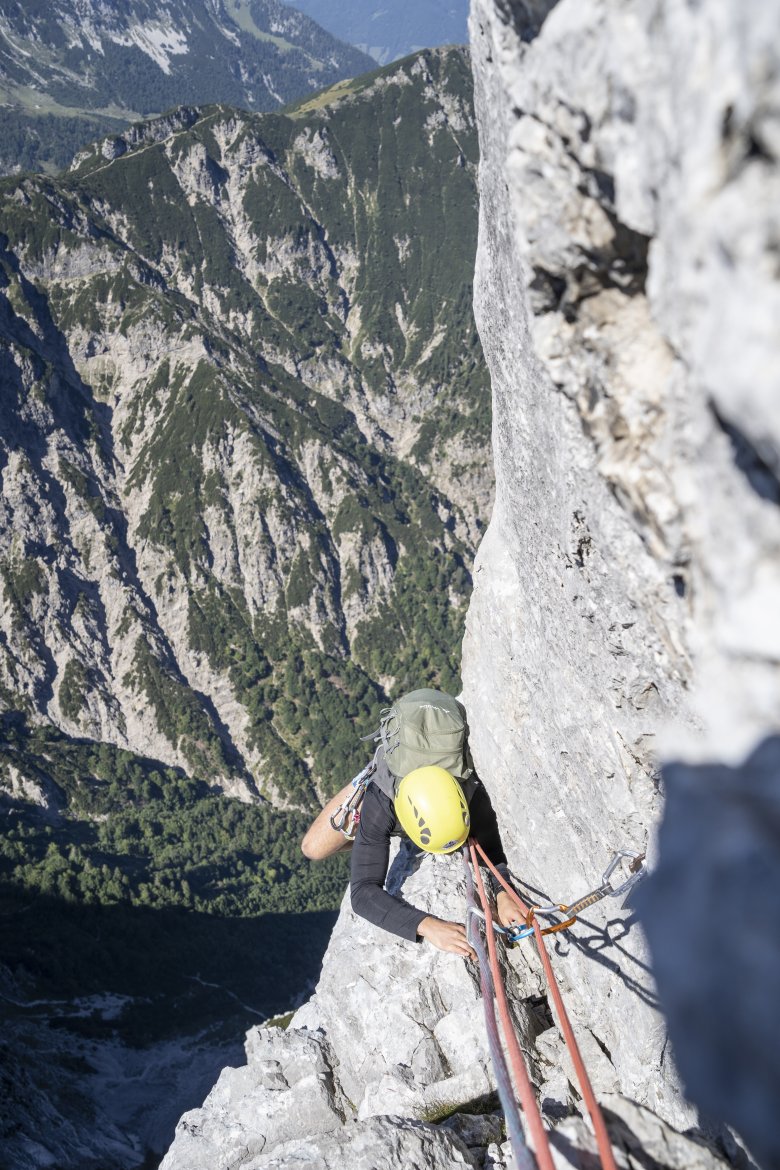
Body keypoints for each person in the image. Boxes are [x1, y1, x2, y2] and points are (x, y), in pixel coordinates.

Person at [301, 691, 522, 960]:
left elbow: (493, 852)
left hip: (442, 765)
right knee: (313, 848)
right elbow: (362, 893)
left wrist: (503, 893)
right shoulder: (382, 801)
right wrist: (428, 926)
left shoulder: (471, 794)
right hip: (390, 776)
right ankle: (374, 765)